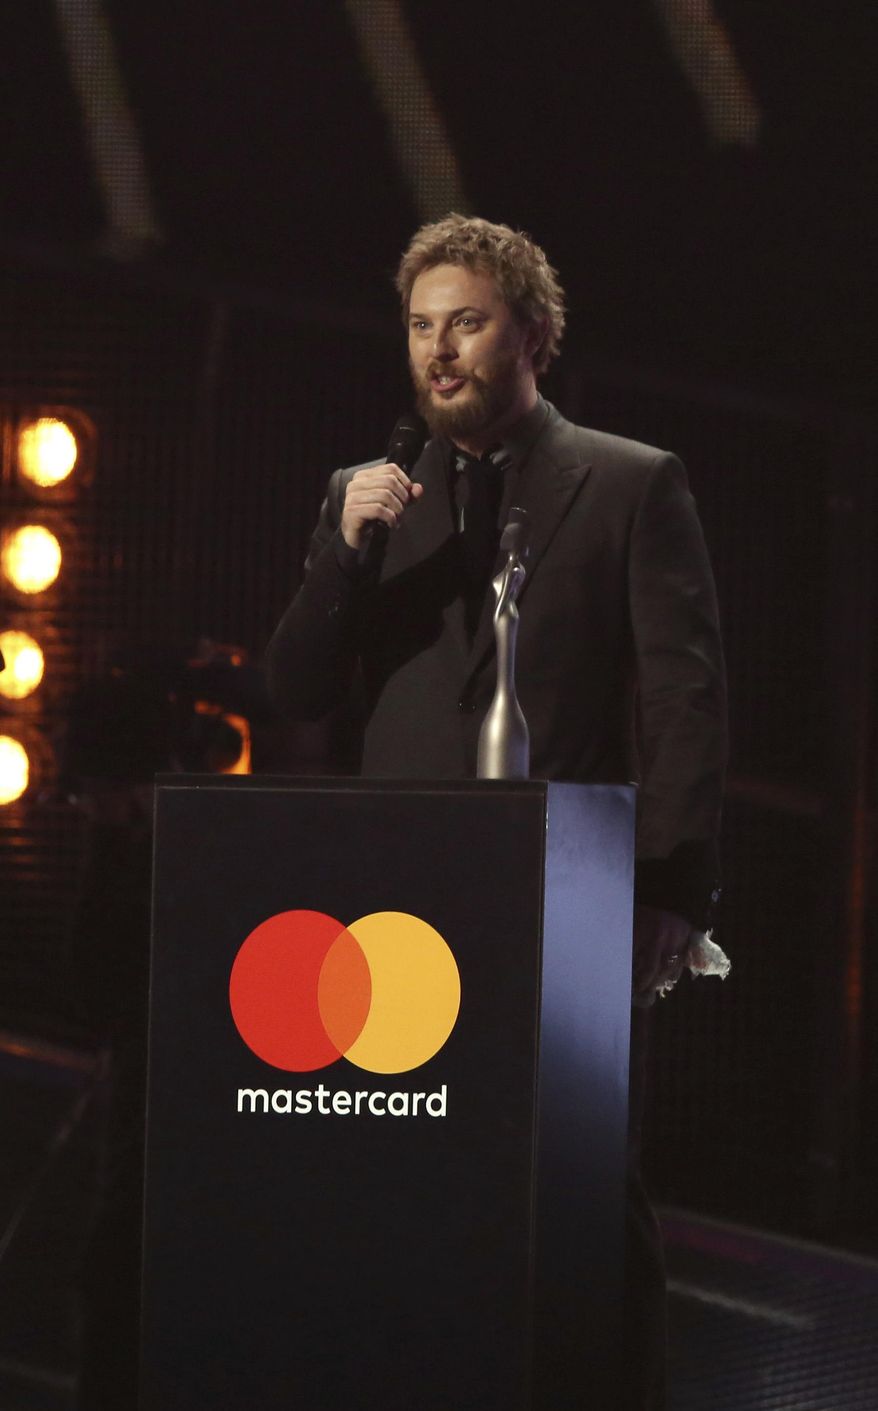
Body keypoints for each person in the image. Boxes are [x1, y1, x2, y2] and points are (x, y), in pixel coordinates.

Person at [264, 214, 728, 1409]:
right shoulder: (365, 498)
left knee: (570, 1175)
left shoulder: (627, 481)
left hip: (556, 898)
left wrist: (670, 891)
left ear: (531, 332)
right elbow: (299, 689)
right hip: (398, 898)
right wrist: (343, 558)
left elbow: (682, 698)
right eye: (420, 328)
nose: (439, 351)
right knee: (407, 1169)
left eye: (464, 322)